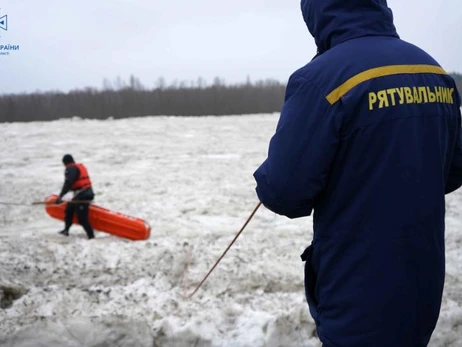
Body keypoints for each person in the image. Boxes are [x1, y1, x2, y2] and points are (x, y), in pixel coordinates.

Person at [253, 0, 462, 346]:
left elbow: (284, 191)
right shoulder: (434, 71)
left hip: (358, 288)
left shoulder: (320, 78)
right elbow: (453, 168)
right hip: (423, 282)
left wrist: (268, 177)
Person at [56, 154, 95, 239]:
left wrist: (60, 197)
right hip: (81, 194)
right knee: (69, 209)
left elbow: (68, 183)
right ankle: (66, 230)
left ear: (65, 163)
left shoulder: (71, 168)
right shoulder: (77, 167)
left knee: (82, 218)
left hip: (84, 195)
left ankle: (91, 236)